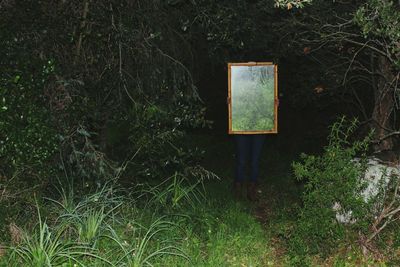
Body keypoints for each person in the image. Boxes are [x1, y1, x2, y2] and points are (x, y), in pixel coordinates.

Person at [233, 134, 266, 201]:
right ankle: (238, 188)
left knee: (255, 161)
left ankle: (252, 189)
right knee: (241, 160)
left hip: (259, 131)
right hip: (241, 130)